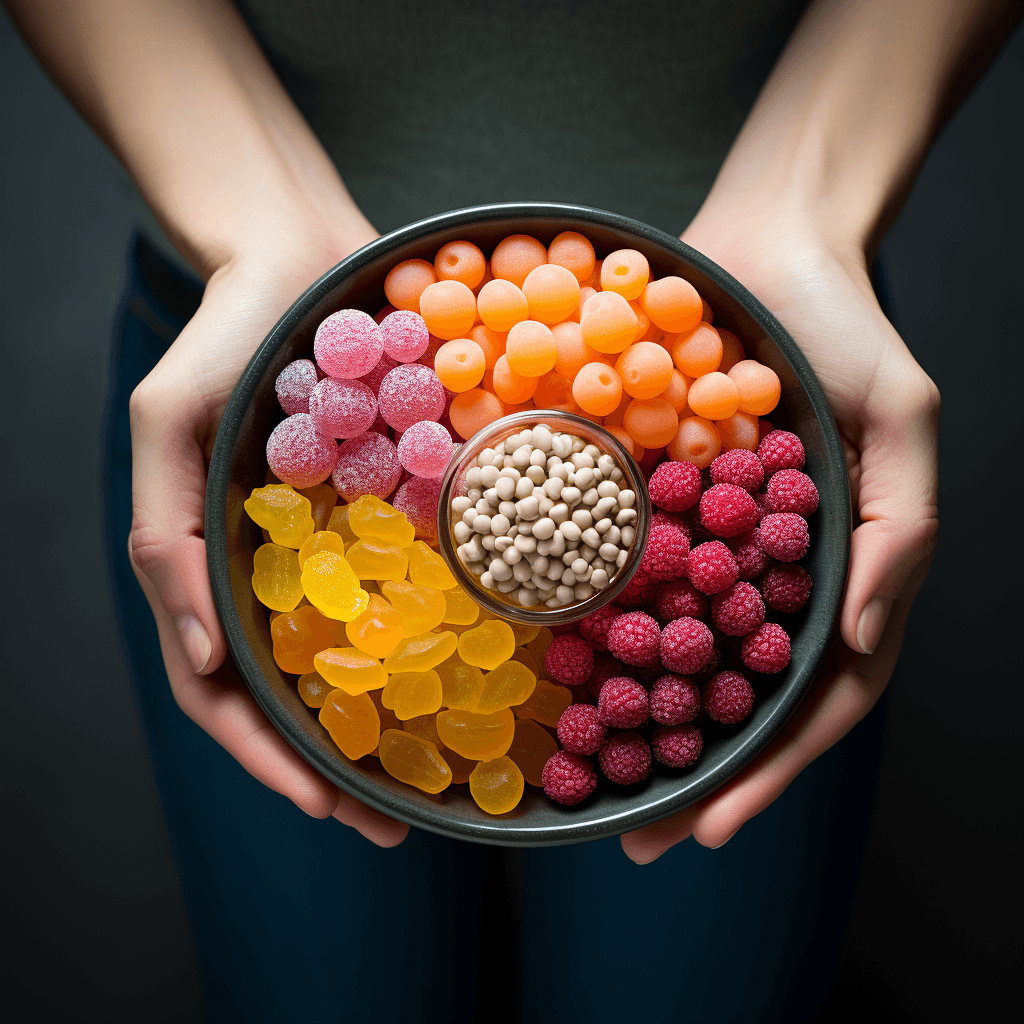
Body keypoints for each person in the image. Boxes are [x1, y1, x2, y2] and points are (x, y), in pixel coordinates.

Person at [7, 1, 1018, 1019]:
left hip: (778, 322)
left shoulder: (717, 470)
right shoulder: (334, 434)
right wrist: (253, 229)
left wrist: (813, 200)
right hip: (252, 354)